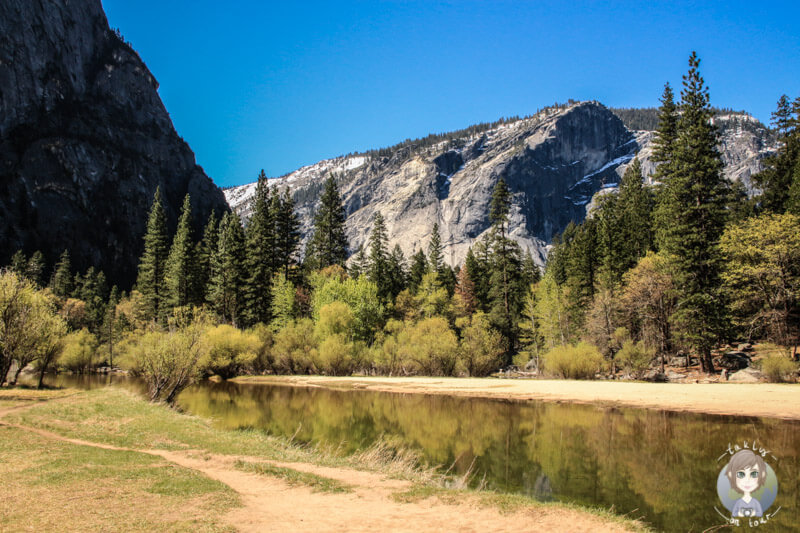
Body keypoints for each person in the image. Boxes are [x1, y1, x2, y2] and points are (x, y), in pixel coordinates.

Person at [725, 449, 767, 517]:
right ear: (731, 475)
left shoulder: (755, 502)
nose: (747, 480)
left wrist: (753, 513)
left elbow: (760, 513)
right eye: (741, 474)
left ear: (762, 475)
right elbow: (734, 514)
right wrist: (740, 514)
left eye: (754, 474)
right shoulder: (738, 503)